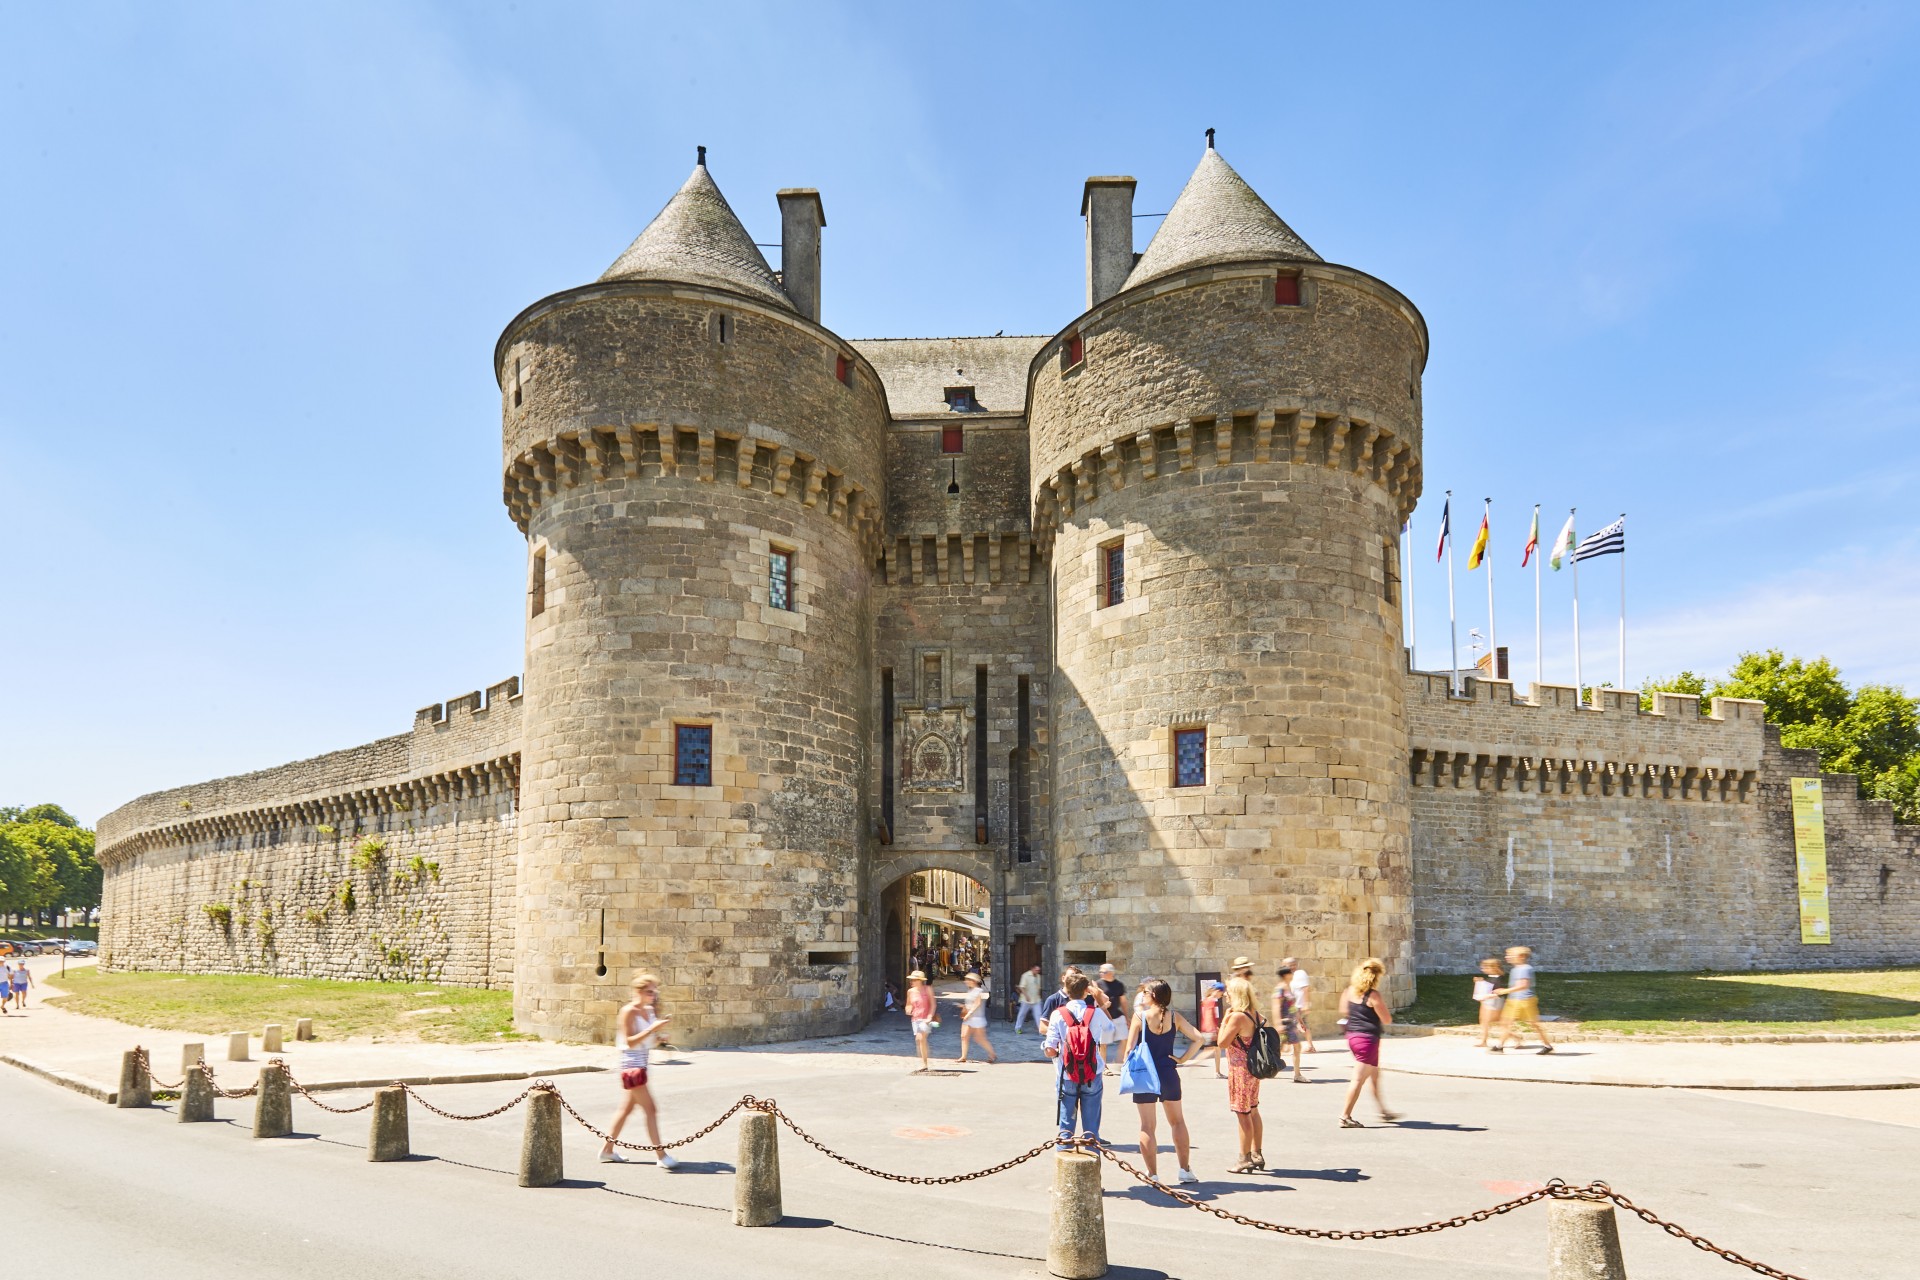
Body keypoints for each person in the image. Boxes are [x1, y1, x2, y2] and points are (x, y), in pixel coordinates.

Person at [1120, 978, 1203, 1184]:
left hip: (1146, 1075)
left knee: (1147, 1126)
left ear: (1154, 995)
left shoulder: (1140, 1016)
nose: (1143, 995)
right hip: (1168, 1073)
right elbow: (1199, 1038)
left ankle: (1152, 1174)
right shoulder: (1175, 1017)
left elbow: (1129, 1049)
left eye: (1146, 992)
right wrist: (1183, 1059)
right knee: (1178, 1122)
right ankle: (1184, 1170)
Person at [601, 973, 677, 1168]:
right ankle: (661, 1155)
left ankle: (607, 1150)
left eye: (654, 991)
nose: (653, 995)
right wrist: (652, 1029)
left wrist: (659, 1038)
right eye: (649, 991)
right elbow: (629, 1041)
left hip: (642, 1065)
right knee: (651, 1109)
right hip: (631, 1066)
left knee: (625, 1110)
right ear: (638, 991)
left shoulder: (649, 1011)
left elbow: (646, 1041)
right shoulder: (628, 1011)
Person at [1042, 973, 1117, 1150]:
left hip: (1067, 1074)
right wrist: (1099, 999)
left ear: (1066, 991)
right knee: (1091, 1131)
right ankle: (1092, 1166)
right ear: (1086, 991)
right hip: (1093, 1073)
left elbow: (1050, 1050)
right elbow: (1112, 1028)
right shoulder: (1096, 1013)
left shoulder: (1058, 1014)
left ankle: (1064, 1169)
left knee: (1065, 1130)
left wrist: (1051, 1049)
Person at [1338, 958, 1399, 1128]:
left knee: (1374, 1076)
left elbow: (1344, 1010)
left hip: (1353, 1037)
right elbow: (1386, 1019)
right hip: (1368, 1041)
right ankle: (1345, 1116)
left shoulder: (1349, 992)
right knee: (1358, 1080)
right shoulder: (1373, 995)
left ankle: (1383, 1110)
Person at [1217, 976, 1264, 1173]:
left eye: (1228, 991)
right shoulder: (1255, 1014)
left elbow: (1222, 1043)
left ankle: (1244, 1158)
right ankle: (1257, 1153)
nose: (1226, 994)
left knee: (1242, 1113)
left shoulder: (1236, 1017)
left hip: (1240, 1070)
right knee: (1253, 1109)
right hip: (1253, 1068)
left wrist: (1225, 1020)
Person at [1495, 946, 1555, 1054]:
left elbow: (1523, 985)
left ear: (1521, 957)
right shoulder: (1516, 969)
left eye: (1510, 955)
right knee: (1505, 1023)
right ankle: (1500, 1045)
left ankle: (1547, 1045)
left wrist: (1505, 991)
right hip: (1514, 1000)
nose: (1507, 957)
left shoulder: (1525, 969)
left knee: (1533, 1024)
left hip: (1524, 1000)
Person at [954, 972, 998, 1064]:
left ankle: (992, 1054)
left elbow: (977, 1004)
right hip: (969, 1017)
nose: (966, 981)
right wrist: (963, 1007)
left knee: (980, 1039)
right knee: (964, 1036)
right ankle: (963, 1056)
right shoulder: (970, 990)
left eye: (968, 979)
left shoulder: (978, 991)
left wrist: (969, 1013)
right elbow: (970, 1004)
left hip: (976, 1018)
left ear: (973, 981)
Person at [1272, 964, 1305, 1083]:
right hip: (1285, 1023)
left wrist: (1299, 1021)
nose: (1292, 975)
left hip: (1290, 1023)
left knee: (1282, 1048)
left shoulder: (1287, 987)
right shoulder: (1280, 988)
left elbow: (1292, 1007)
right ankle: (1297, 1074)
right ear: (1286, 975)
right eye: (1291, 972)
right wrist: (1278, 1023)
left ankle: (1272, 1069)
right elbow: (1276, 1006)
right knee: (1295, 1047)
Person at [1095, 964, 1128, 1075]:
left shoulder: (1119, 985)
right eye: (1100, 972)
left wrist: (1127, 1017)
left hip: (1117, 1015)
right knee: (1103, 1043)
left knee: (1125, 1038)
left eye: (1103, 972)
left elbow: (1123, 1001)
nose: (1101, 974)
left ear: (1111, 972)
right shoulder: (1098, 984)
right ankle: (1103, 1066)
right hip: (1104, 1017)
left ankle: (1119, 1061)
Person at [1284, 956, 1317, 1053]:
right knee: (1294, 1025)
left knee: (1302, 1025)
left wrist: (1306, 1004)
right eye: (1289, 965)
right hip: (1294, 1005)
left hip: (1299, 1005)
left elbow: (1305, 989)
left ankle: (1310, 1046)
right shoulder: (1291, 975)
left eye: (1293, 965)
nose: (1292, 967)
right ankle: (1289, 1046)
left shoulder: (1300, 974)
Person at [905, 970, 936, 1072]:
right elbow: (908, 1004)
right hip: (915, 1018)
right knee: (918, 1040)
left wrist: (930, 1016)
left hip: (926, 1019)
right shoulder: (910, 991)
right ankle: (923, 1060)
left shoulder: (928, 989)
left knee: (921, 1038)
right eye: (911, 979)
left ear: (920, 980)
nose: (912, 981)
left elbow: (933, 1004)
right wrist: (908, 1009)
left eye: (914, 980)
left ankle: (924, 1064)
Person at [1473, 958, 1505, 1049]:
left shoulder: (1499, 979)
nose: (1482, 969)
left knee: (1494, 1021)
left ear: (1494, 968)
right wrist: (1480, 981)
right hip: (1487, 1001)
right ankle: (1484, 1041)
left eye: (1485, 967)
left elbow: (1499, 992)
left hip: (1494, 1002)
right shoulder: (1492, 977)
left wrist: (1486, 996)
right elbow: (1489, 984)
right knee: (1483, 1020)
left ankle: (1515, 1037)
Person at [1197, 981, 1225, 1077]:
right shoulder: (1212, 1001)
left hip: (1209, 1028)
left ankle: (1217, 1072)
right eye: (1222, 993)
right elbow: (1209, 1016)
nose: (1222, 995)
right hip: (1210, 1030)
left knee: (1217, 1050)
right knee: (1209, 1051)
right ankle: (1192, 1063)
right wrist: (1213, 1030)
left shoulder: (1206, 1000)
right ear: (1218, 991)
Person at [1014, 964, 1045, 1033]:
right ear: (1032, 969)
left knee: (1039, 1014)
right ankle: (1017, 1028)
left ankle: (1041, 1029)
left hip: (1036, 999)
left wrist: (1039, 995)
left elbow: (1038, 987)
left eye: (1038, 970)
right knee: (1022, 1014)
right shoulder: (1025, 975)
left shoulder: (1039, 976)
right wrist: (1026, 996)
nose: (1037, 971)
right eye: (1036, 970)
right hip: (1026, 1000)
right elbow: (1021, 987)